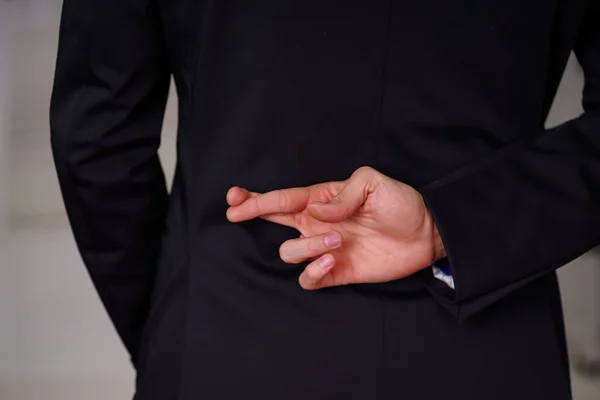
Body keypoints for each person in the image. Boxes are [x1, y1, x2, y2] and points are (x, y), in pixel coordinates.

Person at [49, 0, 599, 399]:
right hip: (489, 352)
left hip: (223, 337)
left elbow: (96, 137)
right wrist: (446, 227)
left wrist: (166, 320)